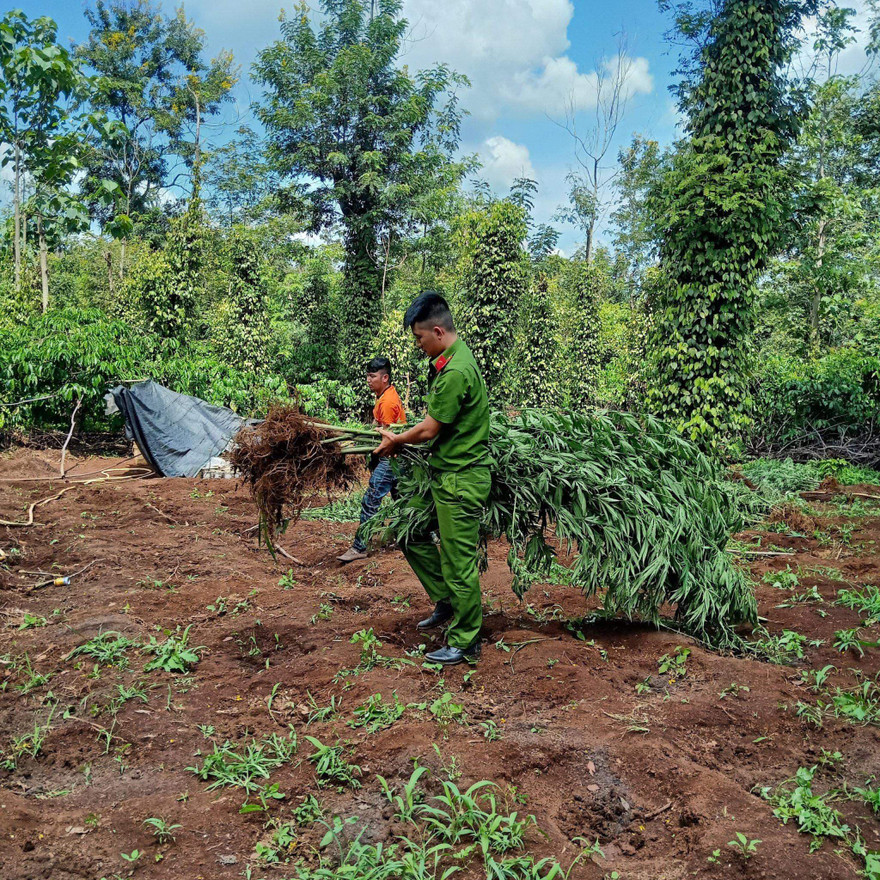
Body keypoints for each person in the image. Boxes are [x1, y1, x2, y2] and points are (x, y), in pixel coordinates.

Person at [373, 292, 491, 665]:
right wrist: (401, 434)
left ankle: (466, 639)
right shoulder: (449, 360)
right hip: (441, 476)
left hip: (460, 480)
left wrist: (396, 439)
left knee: (459, 563)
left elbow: (429, 430)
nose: (419, 345)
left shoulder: (456, 371)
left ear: (437, 331)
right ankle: (447, 602)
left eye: (420, 338)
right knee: (409, 532)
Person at [337, 357, 406, 563]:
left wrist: (369, 452)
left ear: (384, 378)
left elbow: (387, 440)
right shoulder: (385, 395)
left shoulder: (386, 401)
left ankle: (360, 547)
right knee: (403, 500)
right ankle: (423, 535)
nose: (368, 380)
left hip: (390, 459)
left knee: (371, 500)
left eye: (372, 376)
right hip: (397, 459)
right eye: (367, 375)